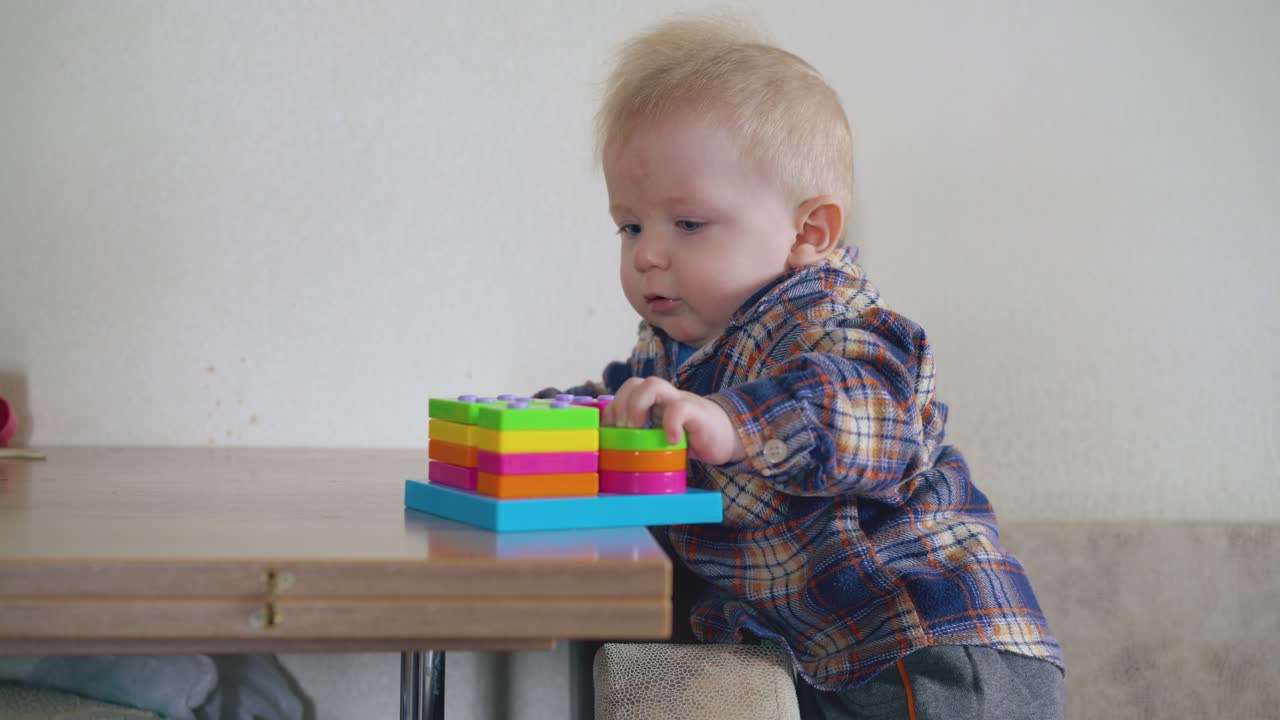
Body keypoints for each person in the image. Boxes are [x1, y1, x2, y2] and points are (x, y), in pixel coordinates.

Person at [546, 15, 1064, 719]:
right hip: (825, 657)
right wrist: (546, 423)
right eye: (631, 225)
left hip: (932, 650)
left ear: (809, 233)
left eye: (688, 224)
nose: (646, 254)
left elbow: (862, 409)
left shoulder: (832, 323)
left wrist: (731, 421)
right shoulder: (677, 348)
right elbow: (626, 403)